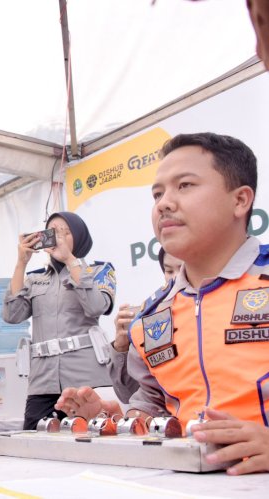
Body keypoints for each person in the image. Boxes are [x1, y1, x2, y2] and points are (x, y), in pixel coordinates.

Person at [55, 132, 269, 475]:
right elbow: (153, 406)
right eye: (157, 193)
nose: (164, 203)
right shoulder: (151, 316)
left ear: (240, 200)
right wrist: (110, 418)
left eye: (184, 185)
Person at [4, 212, 116, 430]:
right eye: (53, 231)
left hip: (85, 381)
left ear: (80, 237)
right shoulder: (35, 278)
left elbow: (95, 307)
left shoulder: (99, 271)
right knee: (34, 441)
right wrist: (21, 263)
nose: (59, 237)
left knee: (88, 443)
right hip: (42, 383)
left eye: (66, 232)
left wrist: (71, 261)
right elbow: (12, 315)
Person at [106, 246, 183, 403]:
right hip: (170, 422)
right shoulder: (155, 319)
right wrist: (121, 349)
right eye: (169, 271)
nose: (176, 277)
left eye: (183, 268)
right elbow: (130, 395)